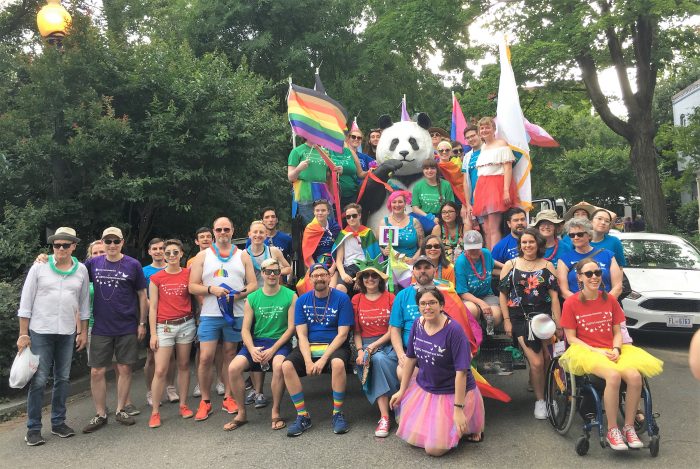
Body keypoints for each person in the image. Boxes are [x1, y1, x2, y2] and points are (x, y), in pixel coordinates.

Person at [559, 258, 663, 450]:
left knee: (634, 376)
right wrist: (596, 350)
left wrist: (616, 349)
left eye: (597, 273)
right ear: (579, 277)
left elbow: (617, 332)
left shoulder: (610, 300)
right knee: (613, 376)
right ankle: (612, 429)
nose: (594, 277)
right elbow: (571, 338)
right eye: (589, 274)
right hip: (586, 351)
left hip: (612, 348)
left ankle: (629, 427)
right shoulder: (571, 303)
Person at [390, 286, 485, 456]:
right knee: (415, 438)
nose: (427, 307)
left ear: (441, 305)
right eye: (423, 303)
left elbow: (461, 373)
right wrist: (402, 390)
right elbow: (411, 358)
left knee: (434, 450)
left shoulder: (454, 331)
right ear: (418, 307)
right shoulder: (418, 325)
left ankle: (466, 424)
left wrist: (458, 409)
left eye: (432, 302)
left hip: (452, 392)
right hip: (426, 388)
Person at [17, 227, 90, 445]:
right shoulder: (39, 266)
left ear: (73, 247)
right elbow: (26, 301)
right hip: (40, 331)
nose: (60, 249)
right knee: (39, 380)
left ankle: (58, 422)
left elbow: (84, 303)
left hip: (67, 332)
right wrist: (23, 333)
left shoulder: (82, 270)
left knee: (63, 379)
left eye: (65, 245)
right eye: (57, 245)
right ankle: (33, 428)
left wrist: (83, 331)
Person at [188, 217, 257, 421]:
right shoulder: (203, 256)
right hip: (210, 314)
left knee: (230, 354)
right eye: (219, 229)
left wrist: (238, 294)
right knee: (205, 357)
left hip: (236, 313)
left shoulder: (243, 255)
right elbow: (192, 286)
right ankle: (206, 401)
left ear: (233, 231)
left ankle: (228, 396)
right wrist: (211, 289)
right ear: (214, 231)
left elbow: (252, 284)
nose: (223, 232)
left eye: (227, 229)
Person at [82, 227, 147, 432]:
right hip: (101, 326)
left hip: (127, 325)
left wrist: (142, 323)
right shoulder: (92, 263)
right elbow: (70, 271)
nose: (111, 245)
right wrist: (45, 259)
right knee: (96, 371)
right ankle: (100, 413)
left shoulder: (133, 264)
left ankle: (120, 409)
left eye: (115, 241)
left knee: (125, 368)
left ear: (122, 242)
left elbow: (142, 295)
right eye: (107, 241)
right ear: (102, 242)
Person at [282, 263, 354, 436]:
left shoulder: (342, 299)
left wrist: (323, 360)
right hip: (309, 346)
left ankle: (337, 413)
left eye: (323, 275)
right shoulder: (302, 300)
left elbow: (343, 334)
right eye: (316, 275)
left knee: (337, 363)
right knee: (286, 366)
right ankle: (302, 415)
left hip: (334, 345)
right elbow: (302, 335)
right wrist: (307, 360)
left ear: (329, 277)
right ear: (310, 278)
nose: (320, 278)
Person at [226, 258, 297, 431]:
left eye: (275, 271)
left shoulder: (290, 295)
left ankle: (275, 411)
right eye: (268, 271)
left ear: (280, 273)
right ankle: (241, 413)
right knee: (233, 368)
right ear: (262, 274)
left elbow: (291, 328)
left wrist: (273, 349)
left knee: (279, 366)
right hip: (256, 342)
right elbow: (245, 330)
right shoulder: (252, 298)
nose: (272, 275)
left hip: (279, 342)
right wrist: (251, 348)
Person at [498, 228, 561, 419]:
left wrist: (558, 324)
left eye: (531, 242)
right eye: (524, 242)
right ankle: (540, 401)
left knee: (549, 359)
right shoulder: (511, 265)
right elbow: (502, 294)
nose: (527, 245)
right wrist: (507, 321)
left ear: (538, 244)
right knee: (536, 362)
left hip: (544, 317)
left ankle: (551, 396)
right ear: (520, 245)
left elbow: (555, 298)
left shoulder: (548, 265)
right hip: (520, 318)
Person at [147, 239, 196, 428]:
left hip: (186, 323)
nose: (172, 256)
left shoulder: (188, 274)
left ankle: (183, 405)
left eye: (175, 252)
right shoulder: (156, 278)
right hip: (164, 326)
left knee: (184, 365)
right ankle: (155, 412)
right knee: (160, 369)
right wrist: (153, 333)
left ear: (182, 254)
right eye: (168, 253)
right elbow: (152, 308)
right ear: (164, 256)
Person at [351, 260, 399, 438]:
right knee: (376, 360)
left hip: (389, 342)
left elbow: (393, 329)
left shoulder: (390, 297)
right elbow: (356, 332)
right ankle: (386, 415)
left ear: (380, 279)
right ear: (362, 280)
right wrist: (361, 350)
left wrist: (373, 346)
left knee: (383, 359)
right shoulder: (356, 299)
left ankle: (389, 412)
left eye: (374, 275)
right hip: (365, 345)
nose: (370, 279)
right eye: (366, 276)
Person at [472, 117, 519, 249]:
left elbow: (507, 168)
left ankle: (495, 258)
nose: (484, 130)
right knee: (486, 228)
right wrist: (476, 190)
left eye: (487, 127)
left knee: (493, 227)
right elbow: (481, 171)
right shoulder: (483, 147)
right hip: (482, 186)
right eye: (482, 128)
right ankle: (489, 256)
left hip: (495, 185)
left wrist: (505, 190)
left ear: (493, 129)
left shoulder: (501, 144)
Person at [142, 238, 178, 407]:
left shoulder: (172, 268)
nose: (157, 251)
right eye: (154, 248)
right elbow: (142, 296)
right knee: (151, 356)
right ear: (149, 251)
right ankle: (150, 391)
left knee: (171, 356)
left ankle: (171, 388)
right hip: (152, 318)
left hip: (170, 319)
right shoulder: (144, 271)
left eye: (161, 248)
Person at [389, 255, 438, 380]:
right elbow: (395, 329)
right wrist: (401, 355)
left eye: (427, 267)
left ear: (435, 270)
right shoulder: (402, 295)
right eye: (418, 268)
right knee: (402, 372)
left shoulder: (446, 293)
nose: (422, 270)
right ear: (413, 271)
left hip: (439, 351)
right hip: (411, 353)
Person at [557, 218, 622, 300]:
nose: (576, 237)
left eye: (580, 234)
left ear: (589, 235)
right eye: (572, 235)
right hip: (579, 306)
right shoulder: (564, 259)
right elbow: (563, 291)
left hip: (606, 304)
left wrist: (605, 304)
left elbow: (618, 286)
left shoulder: (607, 255)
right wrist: (585, 306)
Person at [455, 230, 502, 327]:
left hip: (486, 294)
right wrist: (481, 303)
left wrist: (507, 266)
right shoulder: (461, 262)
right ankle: (475, 332)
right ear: (465, 248)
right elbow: (462, 292)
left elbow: (491, 265)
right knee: (472, 311)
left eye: (477, 248)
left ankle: (486, 331)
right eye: (470, 249)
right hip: (469, 297)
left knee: (495, 317)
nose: (474, 252)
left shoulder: (486, 254)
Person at [331, 203, 380, 294]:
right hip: (348, 268)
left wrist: (361, 276)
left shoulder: (367, 233)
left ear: (360, 216)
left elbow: (373, 257)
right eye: (348, 217)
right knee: (339, 289)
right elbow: (339, 260)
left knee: (365, 288)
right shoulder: (343, 234)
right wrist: (343, 275)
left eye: (354, 215)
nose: (351, 219)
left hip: (364, 268)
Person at [287, 140, 336, 224]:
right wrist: (299, 168)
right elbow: (291, 177)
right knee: (310, 225)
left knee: (329, 223)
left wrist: (337, 170)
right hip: (305, 190)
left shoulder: (325, 152)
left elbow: (329, 175)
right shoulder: (297, 151)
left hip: (323, 191)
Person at [378, 190, 424, 263]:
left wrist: (413, 259)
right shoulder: (384, 223)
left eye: (400, 202)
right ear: (390, 204)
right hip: (391, 264)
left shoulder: (414, 222)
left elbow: (422, 246)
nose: (397, 205)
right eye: (394, 202)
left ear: (405, 203)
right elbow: (378, 245)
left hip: (411, 263)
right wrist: (384, 251)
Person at [245, 220, 291, 287]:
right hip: (253, 294)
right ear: (249, 234)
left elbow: (288, 268)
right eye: (255, 232)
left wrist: (275, 271)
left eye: (261, 232)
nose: (258, 235)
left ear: (266, 235)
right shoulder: (244, 254)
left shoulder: (274, 251)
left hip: (272, 292)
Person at [412, 159, 455, 227]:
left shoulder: (446, 185)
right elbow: (415, 208)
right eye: (426, 168)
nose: (429, 171)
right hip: (424, 218)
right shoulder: (418, 186)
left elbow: (451, 205)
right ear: (423, 171)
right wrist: (430, 217)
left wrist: (442, 218)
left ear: (437, 170)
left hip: (442, 218)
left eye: (432, 168)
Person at [331, 136, 365, 209]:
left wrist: (371, 172)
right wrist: (334, 172)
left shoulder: (350, 152)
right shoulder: (326, 151)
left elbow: (360, 174)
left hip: (352, 194)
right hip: (334, 197)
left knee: (352, 219)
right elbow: (324, 173)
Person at [461, 125, 483, 229]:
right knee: (480, 229)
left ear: (479, 135)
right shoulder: (467, 156)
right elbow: (465, 181)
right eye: (467, 137)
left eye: (473, 135)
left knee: (490, 228)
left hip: (488, 197)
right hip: (474, 200)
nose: (470, 139)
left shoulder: (488, 150)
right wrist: (468, 203)